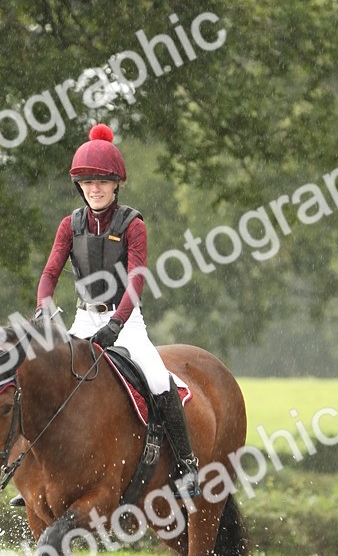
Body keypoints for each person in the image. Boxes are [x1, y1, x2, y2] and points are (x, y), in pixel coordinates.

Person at [16, 122, 200, 501]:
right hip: (85, 318)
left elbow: (136, 280)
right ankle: (37, 472)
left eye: (102, 182)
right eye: (87, 182)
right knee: (49, 381)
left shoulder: (132, 224)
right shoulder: (70, 225)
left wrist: (117, 324)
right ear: (79, 186)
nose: (94, 189)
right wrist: (43, 308)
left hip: (125, 319)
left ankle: (187, 465)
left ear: (116, 185)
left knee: (158, 380)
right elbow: (50, 274)